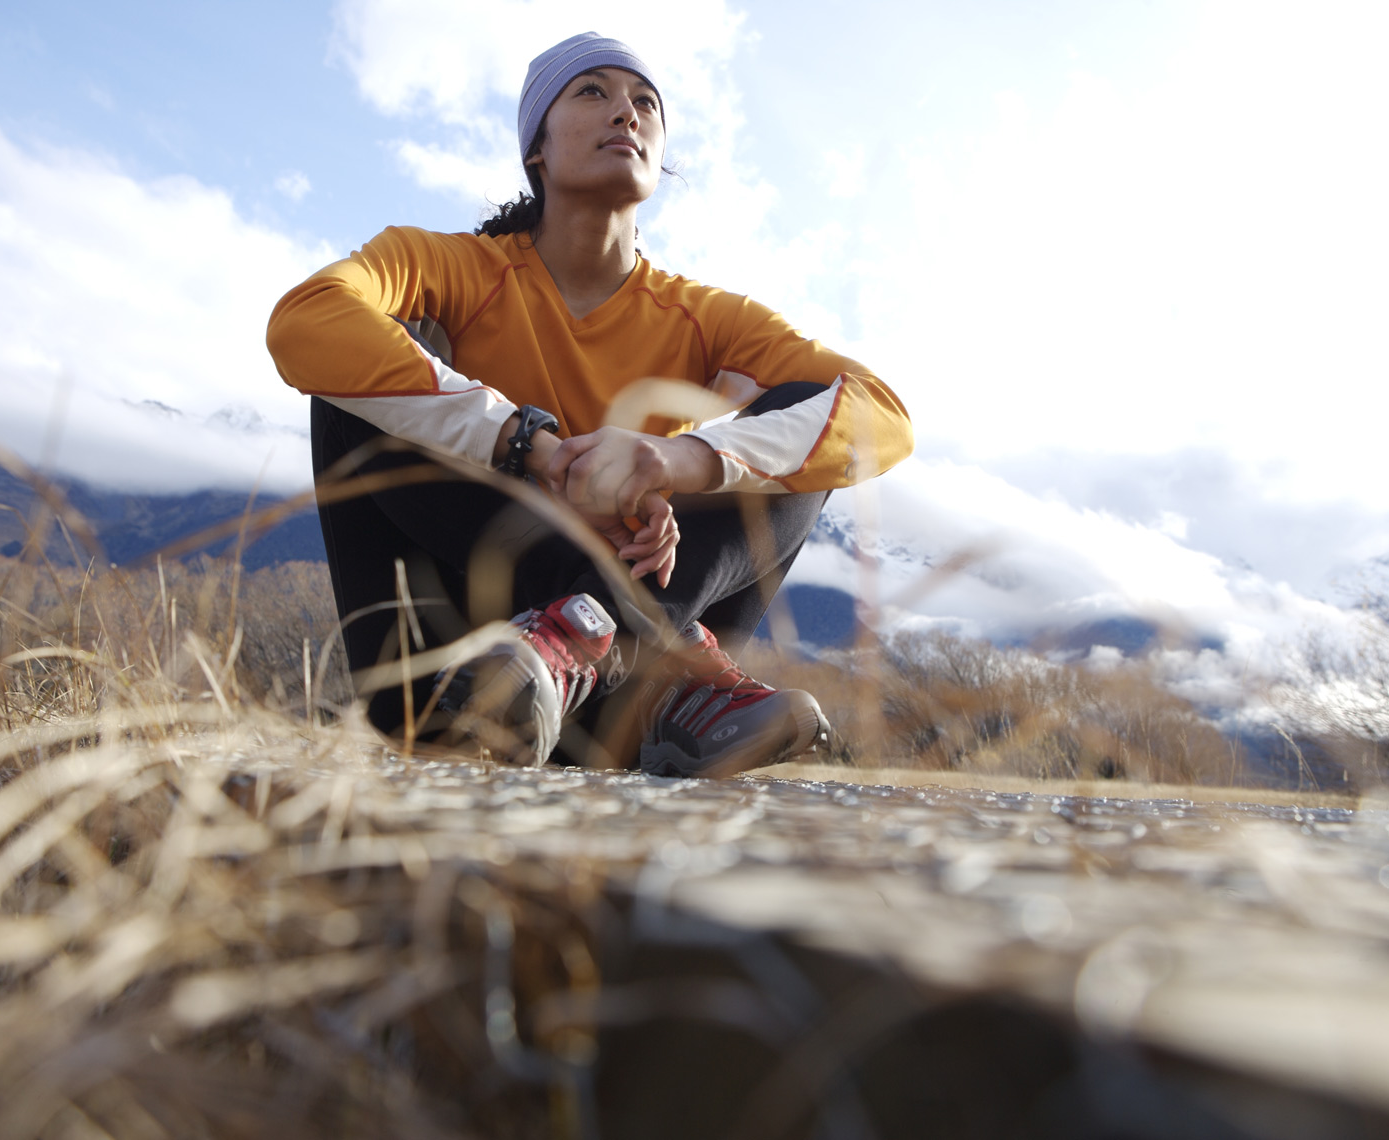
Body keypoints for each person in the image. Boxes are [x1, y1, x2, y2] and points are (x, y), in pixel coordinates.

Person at [266, 32, 912, 777]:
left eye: (646, 104)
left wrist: (683, 460)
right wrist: (528, 448)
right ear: (536, 147)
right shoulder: (450, 268)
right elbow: (304, 320)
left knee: (811, 419)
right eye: (593, 93)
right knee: (361, 361)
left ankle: (587, 642)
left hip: (626, 705)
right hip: (458, 684)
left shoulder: (699, 316)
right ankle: (587, 645)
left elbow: (879, 413)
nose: (626, 114)